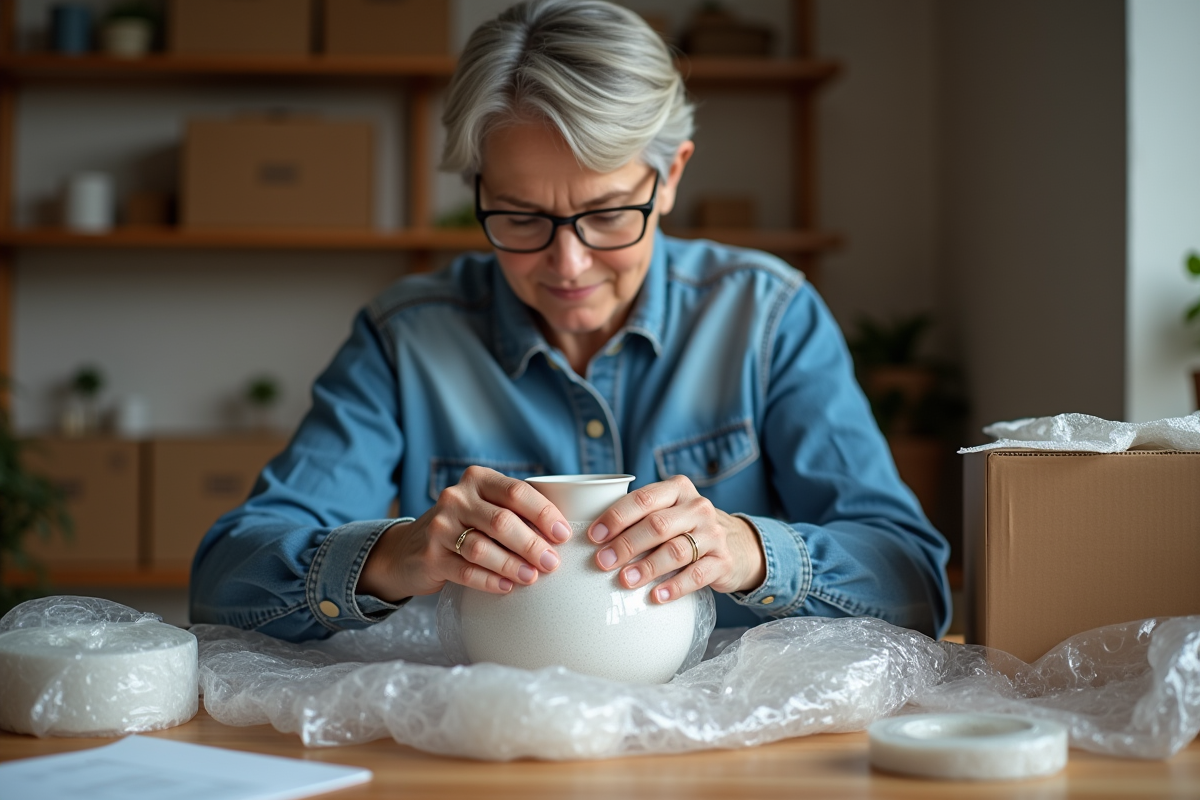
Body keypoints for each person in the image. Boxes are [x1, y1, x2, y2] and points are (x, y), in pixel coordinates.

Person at [189, 0, 951, 642]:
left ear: (671, 175)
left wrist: (748, 551)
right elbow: (224, 584)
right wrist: (393, 555)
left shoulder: (766, 318)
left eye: (609, 214)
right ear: (477, 187)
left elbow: (915, 586)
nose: (569, 263)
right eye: (521, 217)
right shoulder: (406, 340)